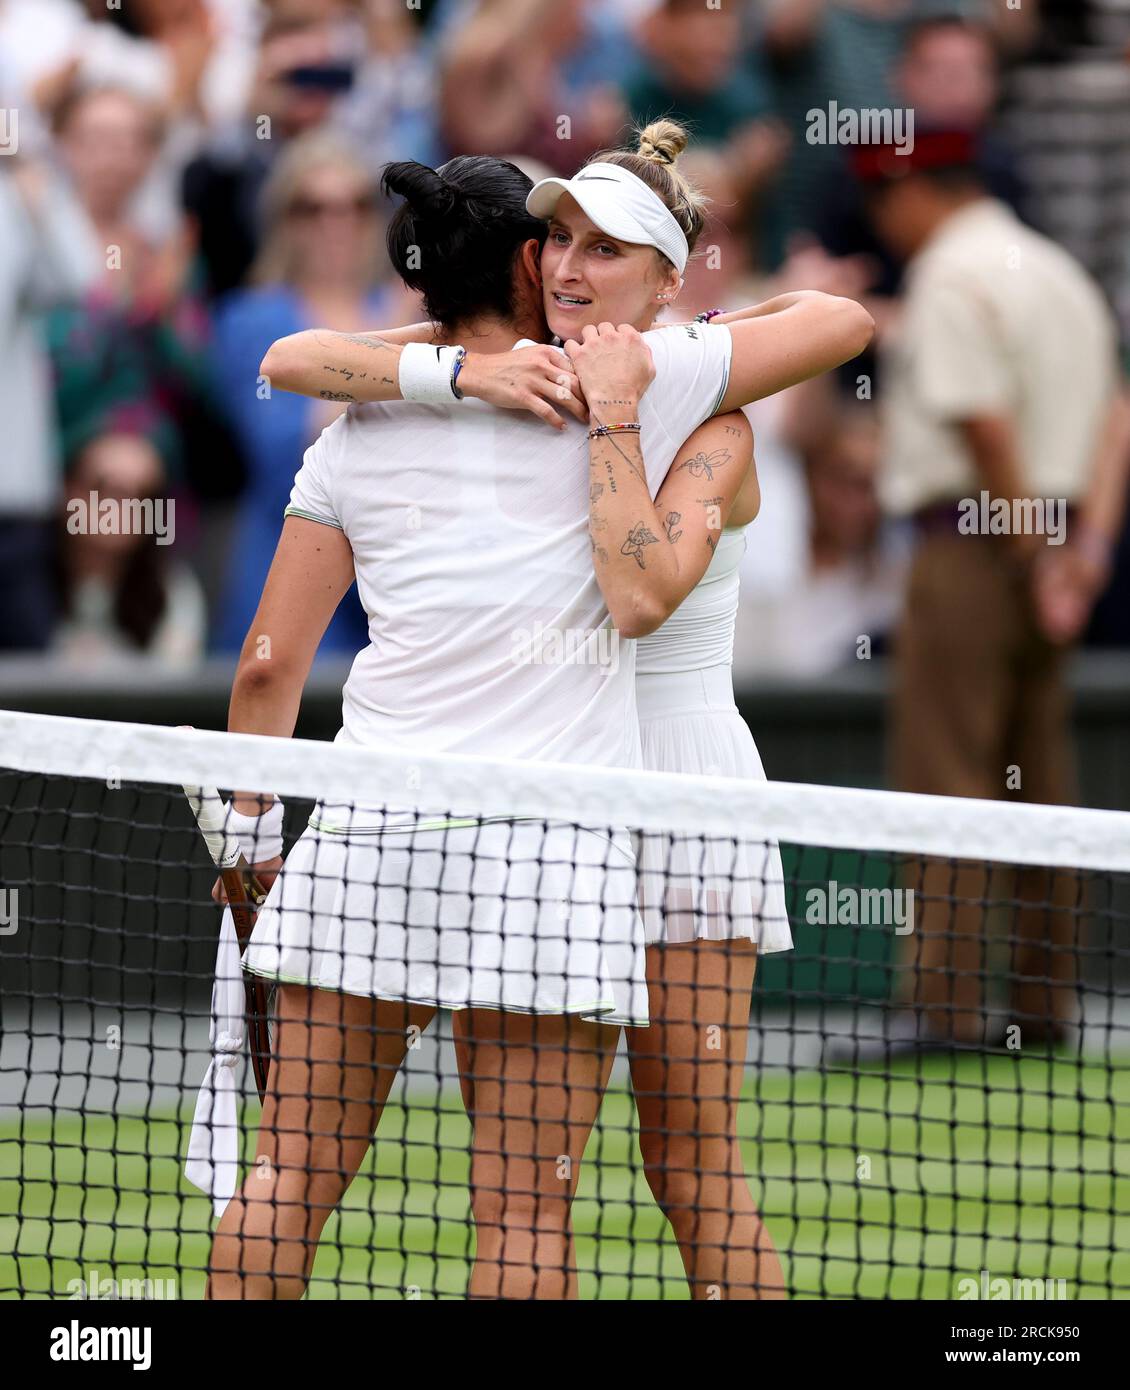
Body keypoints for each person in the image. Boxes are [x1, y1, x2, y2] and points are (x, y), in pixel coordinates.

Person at [205, 142, 871, 1299]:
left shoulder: (669, 385)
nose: (569, 265)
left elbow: (831, 323)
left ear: (666, 277)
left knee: (689, 1164)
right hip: (552, 826)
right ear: (523, 257)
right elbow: (294, 355)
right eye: (556, 239)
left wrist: (638, 360)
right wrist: (472, 374)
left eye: (602, 248)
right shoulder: (587, 380)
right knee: (514, 1213)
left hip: (650, 798)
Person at [853, 130, 1128, 1055]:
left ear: (915, 191)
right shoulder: (1061, 272)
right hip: (1052, 548)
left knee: (948, 776)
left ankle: (944, 1010)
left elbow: (984, 422)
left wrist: (1031, 552)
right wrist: (1082, 552)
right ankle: (1045, 1004)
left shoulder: (948, 275)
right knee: (1037, 778)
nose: (884, 222)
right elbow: (1115, 419)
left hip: (979, 548)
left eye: (885, 200)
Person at [209, 131, 402, 659]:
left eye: (355, 206)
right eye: (312, 207)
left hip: (396, 572)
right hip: (289, 560)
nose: (335, 224)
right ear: (283, 220)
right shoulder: (253, 319)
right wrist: (395, 343)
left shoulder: (411, 308)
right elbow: (279, 455)